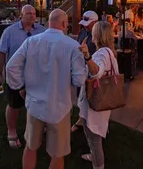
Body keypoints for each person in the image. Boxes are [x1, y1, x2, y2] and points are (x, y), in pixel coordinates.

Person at [6, 9, 87, 169]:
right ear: (64, 24)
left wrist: (20, 86)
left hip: (34, 105)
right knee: (57, 154)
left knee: (30, 147)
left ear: (49, 22)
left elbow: (11, 67)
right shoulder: (73, 46)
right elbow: (79, 80)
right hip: (60, 108)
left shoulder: (31, 41)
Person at [0, 5, 46, 149]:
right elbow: (1, 54)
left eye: (34, 13)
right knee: (14, 105)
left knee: (37, 104)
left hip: (36, 77)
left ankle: (37, 128)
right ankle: (12, 131)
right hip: (16, 77)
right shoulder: (10, 32)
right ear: (21, 15)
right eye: (28, 13)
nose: (32, 16)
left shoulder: (42, 30)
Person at [78, 21, 120, 169]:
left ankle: (98, 163)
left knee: (93, 137)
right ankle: (94, 156)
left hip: (96, 101)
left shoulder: (101, 53)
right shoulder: (110, 51)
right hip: (105, 99)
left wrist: (87, 57)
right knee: (96, 133)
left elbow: (97, 73)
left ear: (96, 35)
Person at [73, 11, 98, 133]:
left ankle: (91, 121)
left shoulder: (98, 34)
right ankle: (81, 118)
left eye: (88, 23)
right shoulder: (83, 31)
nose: (85, 25)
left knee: (92, 95)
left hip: (93, 67)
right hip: (82, 66)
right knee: (81, 95)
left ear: (95, 22)